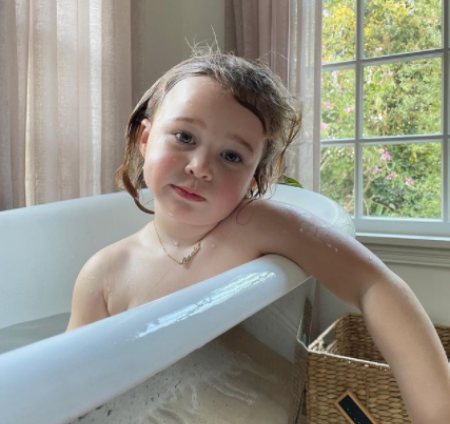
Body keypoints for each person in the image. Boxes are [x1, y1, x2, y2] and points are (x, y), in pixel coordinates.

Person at [66, 48, 450, 423]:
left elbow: (372, 283)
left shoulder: (255, 226)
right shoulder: (105, 273)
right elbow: (70, 392)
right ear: (145, 138)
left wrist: (437, 413)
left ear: (253, 179)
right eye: (184, 136)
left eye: (231, 156)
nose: (200, 167)